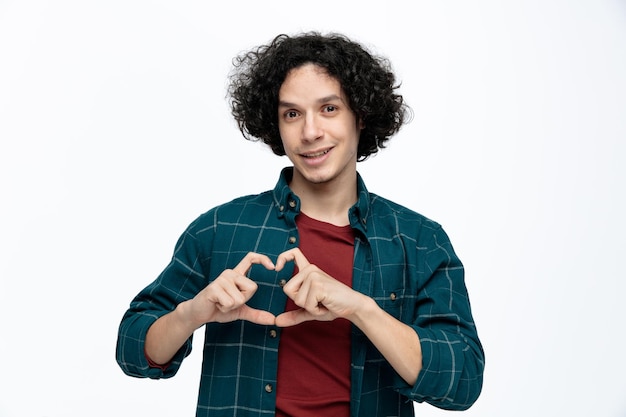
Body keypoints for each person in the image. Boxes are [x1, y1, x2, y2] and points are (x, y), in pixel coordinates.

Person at [116, 31, 484, 417]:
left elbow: (462, 383)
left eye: (329, 109)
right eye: (292, 113)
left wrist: (362, 310)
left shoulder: (419, 240)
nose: (310, 132)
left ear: (360, 114)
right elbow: (132, 348)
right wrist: (191, 314)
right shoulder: (219, 228)